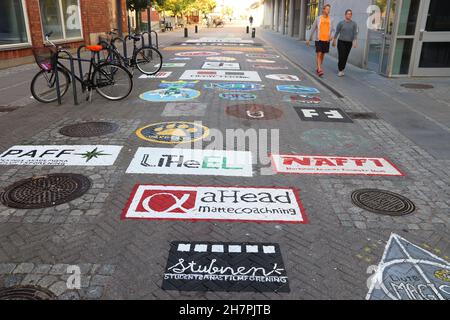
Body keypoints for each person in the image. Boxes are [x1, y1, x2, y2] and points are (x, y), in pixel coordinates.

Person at [306, 4, 335, 77]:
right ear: (323, 10)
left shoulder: (331, 19)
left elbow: (333, 30)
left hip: (326, 40)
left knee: (322, 54)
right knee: (319, 53)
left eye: (329, 9)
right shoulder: (318, 18)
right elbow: (313, 28)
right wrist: (308, 39)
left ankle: (318, 67)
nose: (328, 10)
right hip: (318, 39)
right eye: (327, 9)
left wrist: (332, 36)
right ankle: (319, 69)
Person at [332, 9, 358, 77]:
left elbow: (355, 33)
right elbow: (337, 32)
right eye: (348, 14)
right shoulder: (341, 23)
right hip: (341, 42)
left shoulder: (354, 24)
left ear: (351, 15)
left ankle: (342, 69)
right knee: (341, 56)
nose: (349, 15)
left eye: (350, 14)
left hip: (349, 43)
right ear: (345, 15)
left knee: (345, 57)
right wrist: (334, 40)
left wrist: (354, 42)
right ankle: (340, 70)